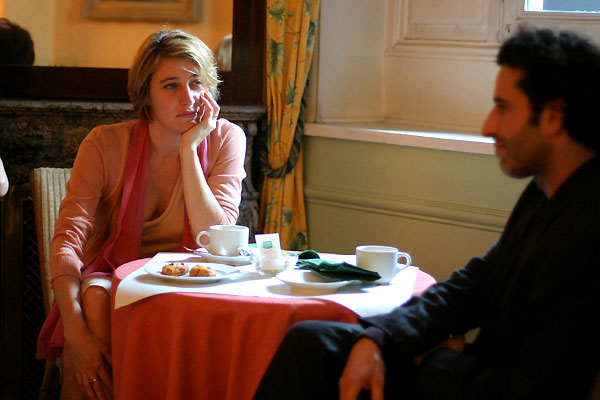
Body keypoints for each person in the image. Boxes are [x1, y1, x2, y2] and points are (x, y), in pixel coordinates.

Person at [253, 25, 600, 400]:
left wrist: (431, 361)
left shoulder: (587, 231)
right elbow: (475, 285)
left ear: (553, 116)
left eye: (503, 108)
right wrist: (380, 338)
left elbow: (532, 390)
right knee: (314, 343)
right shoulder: (545, 188)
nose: (488, 127)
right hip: (463, 371)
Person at [36, 29, 246, 399]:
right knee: (98, 299)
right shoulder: (104, 143)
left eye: (197, 83)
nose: (189, 98)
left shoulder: (226, 138)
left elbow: (217, 241)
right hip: (109, 281)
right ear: (146, 95)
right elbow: (67, 241)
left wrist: (189, 151)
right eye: (170, 86)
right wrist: (76, 334)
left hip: (197, 282)